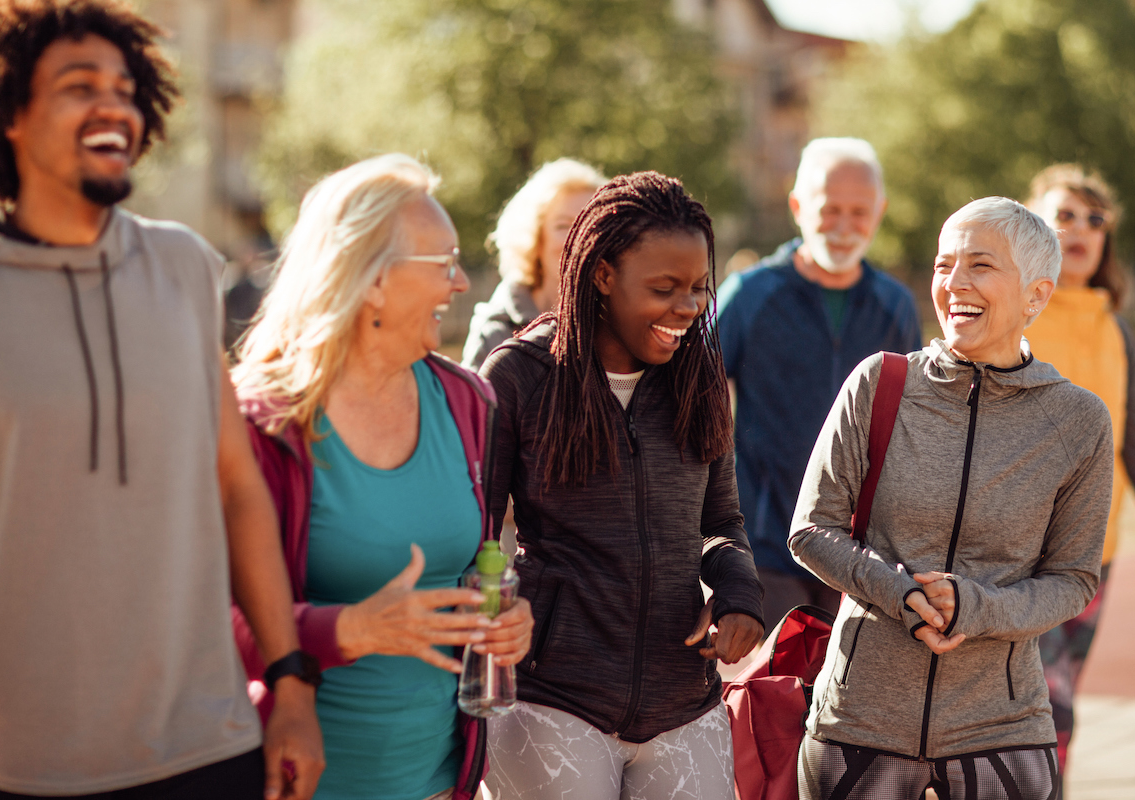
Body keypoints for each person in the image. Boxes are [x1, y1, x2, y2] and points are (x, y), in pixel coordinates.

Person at [0, 2, 323, 799]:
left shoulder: (183, 267)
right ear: (9, 113)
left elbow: (236, 486)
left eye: (124, 86)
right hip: (17, 762)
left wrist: (291, 683)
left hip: (204, 743)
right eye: (79, 85)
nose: (113, 103)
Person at [231, 153, 533, 800]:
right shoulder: (260, 420)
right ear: (370, 280)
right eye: (442, 263)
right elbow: (203, 618)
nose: (459, 284)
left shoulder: (468, 403)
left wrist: (506, 616)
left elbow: (469, 569)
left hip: (440, 781)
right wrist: (347, 630)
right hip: (295, 781)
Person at [791, 197, 1113, 798]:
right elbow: (812, 529)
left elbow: (1073, 579)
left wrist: (976, 607)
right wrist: (901, 593)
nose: (953, 284)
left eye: (980, 266)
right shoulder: (878, 384)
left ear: (1036, 296)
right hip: (860, 719)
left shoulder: (1078, 420)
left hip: (1004, 727)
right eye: (943, 265)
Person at [481, 171, 765, 800]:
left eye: (697, 288)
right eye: (663, 289)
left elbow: (720, 522)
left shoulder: (700, 378)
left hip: (683, 701)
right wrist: (504, 613)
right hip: (551, 697)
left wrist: (739, 593)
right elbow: (472, 531)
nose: (687, 308)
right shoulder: (520, 375)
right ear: (602, 275)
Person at [714, 137, 921, 627]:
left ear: (880, 210)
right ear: (798, 206)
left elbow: (915, 419)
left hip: (861, 553)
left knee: (845, 701)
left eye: (859, 211)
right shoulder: (750, 294)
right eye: (830, 210)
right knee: (769, 695)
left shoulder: (896, 305)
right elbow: (695, 396)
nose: (845, 227)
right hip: (766, 544)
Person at [1024, 164, 1135, 776]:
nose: (1080, 229)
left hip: (1101, 547)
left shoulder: (1116, 329)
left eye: (1095, 219)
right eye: (1063, 214)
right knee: (1042, 700)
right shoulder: (1014, 314)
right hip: (1024, 548)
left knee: (1061, 694)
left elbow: (1133, 439)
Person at [462, 158, 606, 370]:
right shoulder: (495, 331)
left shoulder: (621, 322)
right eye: (563, 225)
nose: (579, 236)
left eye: (592, 224)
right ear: (535, 238)